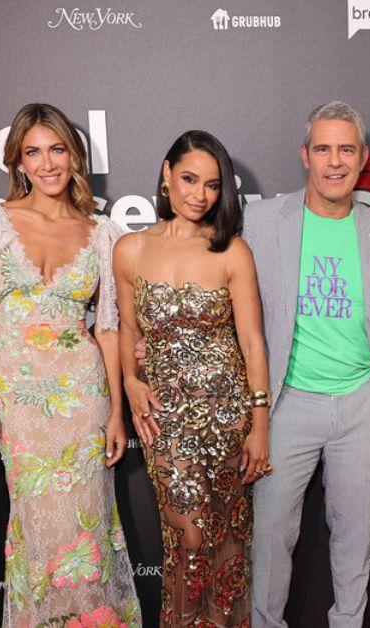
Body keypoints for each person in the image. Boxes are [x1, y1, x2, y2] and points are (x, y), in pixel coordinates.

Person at [0, 103, 141, 626]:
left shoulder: (102, 232)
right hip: (19, 403)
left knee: (87, 525)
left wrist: (115, 415)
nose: (47, 163)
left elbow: (107, 329)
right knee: (39, 528)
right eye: (34, 151)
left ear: (74, 155)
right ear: (16, 159)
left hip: (82, 398)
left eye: (57, 149)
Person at [246, 101, 370, 628]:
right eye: (323, 149)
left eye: (345, 149)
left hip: (362, 406)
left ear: (362, 158)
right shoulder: (262, 221)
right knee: (271, 537)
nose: (334, 161)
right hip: (287, 402)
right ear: (305, 156)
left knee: (354, 539)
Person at [115, 130, 270, 626]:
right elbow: (127, 330)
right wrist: (131, 383)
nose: (199, 195)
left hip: (227, 418)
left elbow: (251, 343)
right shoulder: (131, 250)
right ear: (165, 174)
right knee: (189, 540)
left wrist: (259, 423)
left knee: (227, 542)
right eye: (188, 179)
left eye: (211, 185)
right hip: (167, 422)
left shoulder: (232, 251)